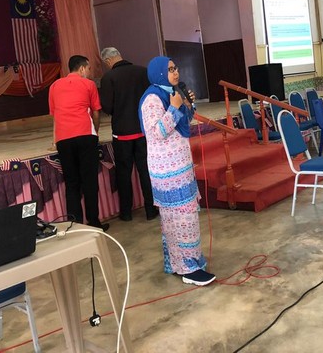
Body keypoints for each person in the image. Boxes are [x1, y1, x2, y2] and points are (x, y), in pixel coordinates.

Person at [139, 56, 216, 286]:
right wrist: (174, 107)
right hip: (167, 172)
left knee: (184, 217)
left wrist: (188, 105)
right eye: (170, 69)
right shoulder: (152, 99)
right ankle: (188, 269)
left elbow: (184, 122)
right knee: (181, 218)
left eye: (175, 68)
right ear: (159, 73)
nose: (175, 72)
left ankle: (182, 263)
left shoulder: (172, 93)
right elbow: (157, 132)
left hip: (181, 166)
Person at [49, 55, 109, 232]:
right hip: (85, 135)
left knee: (71, 183)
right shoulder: (89, 84)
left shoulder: (54, 86)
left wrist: (55, 140)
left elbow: (55, 116)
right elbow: (96, 113)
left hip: (63, 139)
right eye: (88, 68)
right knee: (89, 181)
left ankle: (75, 226)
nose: (89, 72)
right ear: (82, 68)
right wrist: (95, 132)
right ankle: (94, 223)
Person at [100, 47, 159, 222]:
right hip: (142, 130)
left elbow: (107, 107)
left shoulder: (108, 77)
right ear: (119, 55)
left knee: (123, 174)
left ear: (108, 61)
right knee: (145, 171)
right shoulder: (143, 72)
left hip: (122, 133)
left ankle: (126, 213)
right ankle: (150, 210)